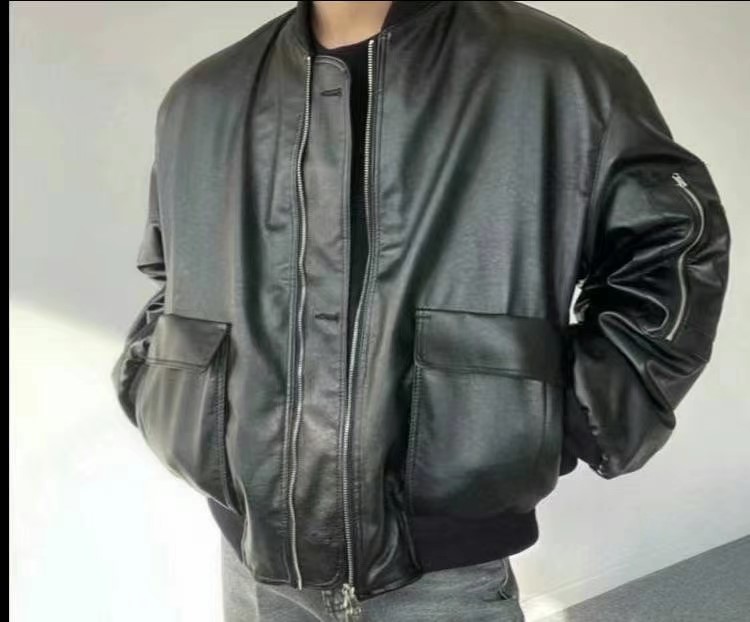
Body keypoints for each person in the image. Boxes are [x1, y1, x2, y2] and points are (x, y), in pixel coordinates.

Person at [110, 2, 731, 621]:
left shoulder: (558, 73)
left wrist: (565, 416)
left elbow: (674, 250)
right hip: (250, 559)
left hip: (444, 574)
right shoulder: (202, 97)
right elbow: (173, 278)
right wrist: (164, 386)